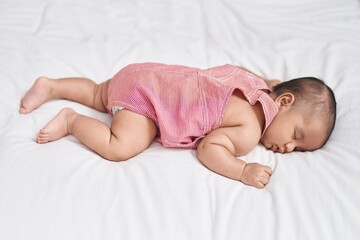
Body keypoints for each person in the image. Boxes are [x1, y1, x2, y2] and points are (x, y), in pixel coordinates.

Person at [19, 63, 337, 188]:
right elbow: (209, 149)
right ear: (283, 102)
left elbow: (235, 69)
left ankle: (52, 85)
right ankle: (72, 121)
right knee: (121, 146)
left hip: (148, 75)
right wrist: (241, 170)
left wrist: (268, 83)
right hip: (150, 103)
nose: (289, 148)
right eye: (296, 135)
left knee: (98, 92)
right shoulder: (250, 129)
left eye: (298, 148)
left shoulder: (255, 82)